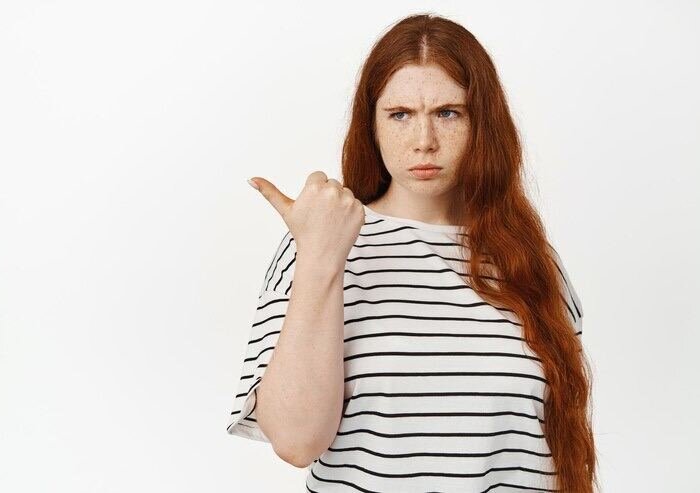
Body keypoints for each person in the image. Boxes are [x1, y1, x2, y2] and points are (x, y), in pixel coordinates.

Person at [226, 13, 598, 493]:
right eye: (400, 114)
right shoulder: (321, 240)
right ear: (372, 126)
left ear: (482, 123)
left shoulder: (530, 259)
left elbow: (560, 446)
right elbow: (296, 442)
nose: (424, 141)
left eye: (448, 113)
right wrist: (321, 257)